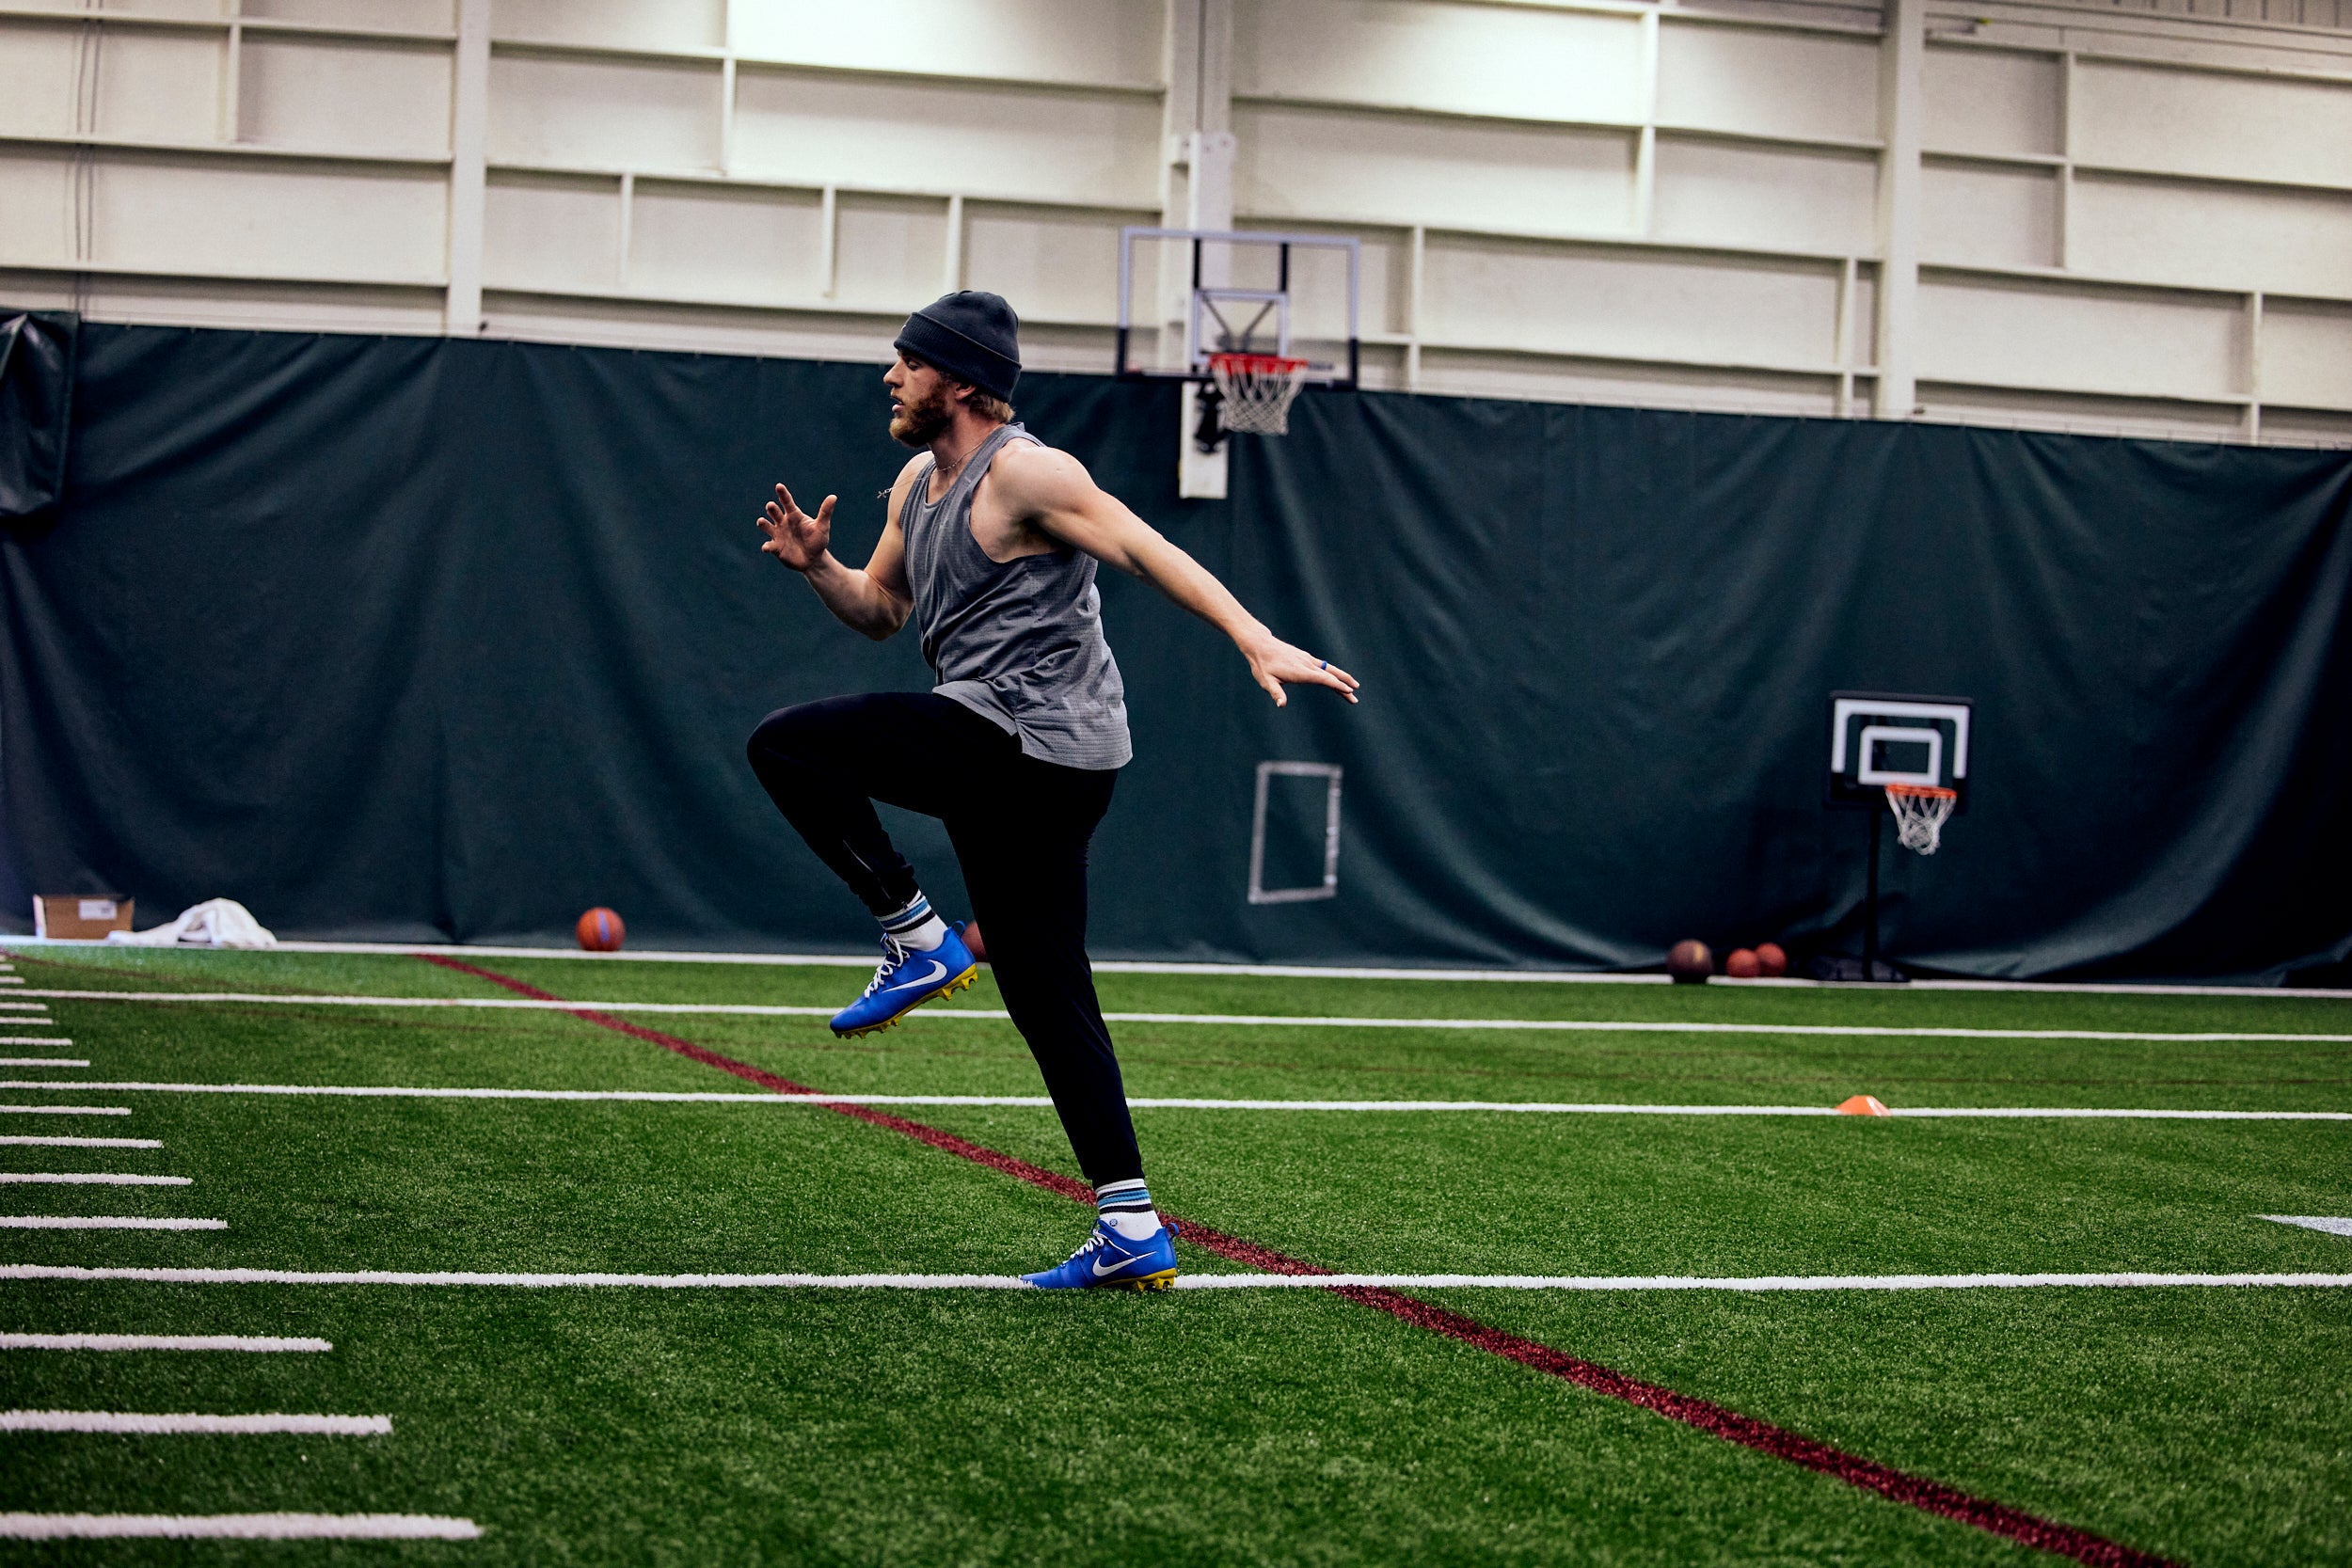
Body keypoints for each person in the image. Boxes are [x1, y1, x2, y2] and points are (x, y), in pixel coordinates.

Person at [745, 290, 1358, 1290]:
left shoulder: (1027, 472)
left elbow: (1144, 547)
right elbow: (881, 610)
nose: (891, 374)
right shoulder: (916, 481)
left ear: (966, 380)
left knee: (788, 746)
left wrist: (1254, 634)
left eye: (910, 359)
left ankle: (912, 932)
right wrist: (820, 569)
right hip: (1011, 746)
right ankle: (1130, 1223)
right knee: (1043, 990)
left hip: (1033, 741)